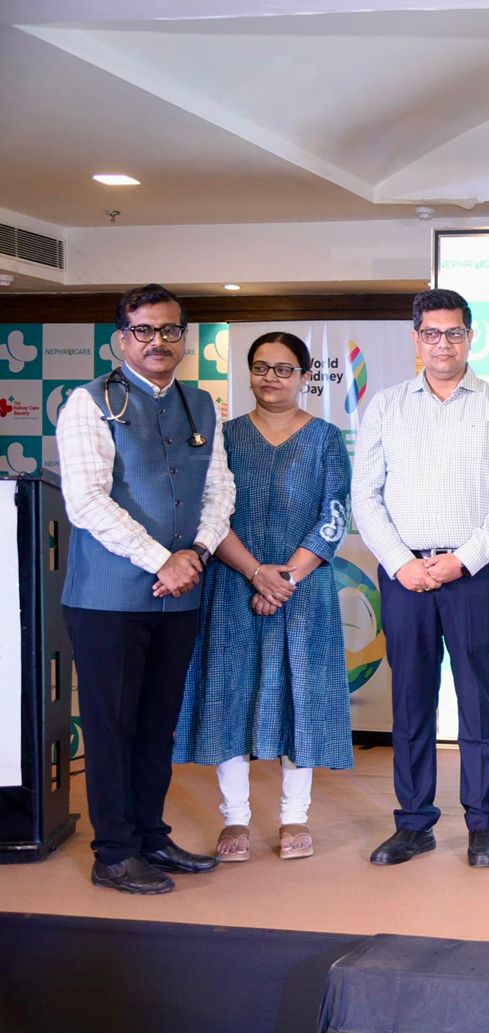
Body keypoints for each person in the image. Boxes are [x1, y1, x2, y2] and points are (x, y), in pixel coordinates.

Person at [56, 283, 235, 894]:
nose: (158, 341)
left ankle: (151, 837)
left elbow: (220, 490)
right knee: (113, 729)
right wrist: (164, 559)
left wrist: (198, 552)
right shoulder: (89, 403)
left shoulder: (200, 403)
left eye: (169, 330)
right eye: (143, 330)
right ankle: (114, 853)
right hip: (107, 601)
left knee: (158, 726)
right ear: (121, 339)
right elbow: (86, 501)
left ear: (184, 338)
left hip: (180, 594)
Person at [353, 288, 489, 869]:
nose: (443, 344)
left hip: (473, 574)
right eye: (431, 333)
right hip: (403, 573)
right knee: (411, 701)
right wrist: (401, 562)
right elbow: (365, 497)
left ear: (470, 337)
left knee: (479, 700)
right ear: (416, 338)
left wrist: (463, 560)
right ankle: (413, 824)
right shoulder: (386, 406)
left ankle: (482, 826)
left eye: (454, 333)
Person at [173, 331, 353, 863]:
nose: (270, 377)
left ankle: (295, 816)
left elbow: (335, 513)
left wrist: (285, 580)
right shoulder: (222, 436)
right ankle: (236, 818)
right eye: (260, 367)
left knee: (302, 697)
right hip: (233, 585)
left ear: (304, 377)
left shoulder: (325, 438)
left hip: (304, 590)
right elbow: (210, 513)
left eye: (283, 368)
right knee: (229, 695)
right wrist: (256, 573)